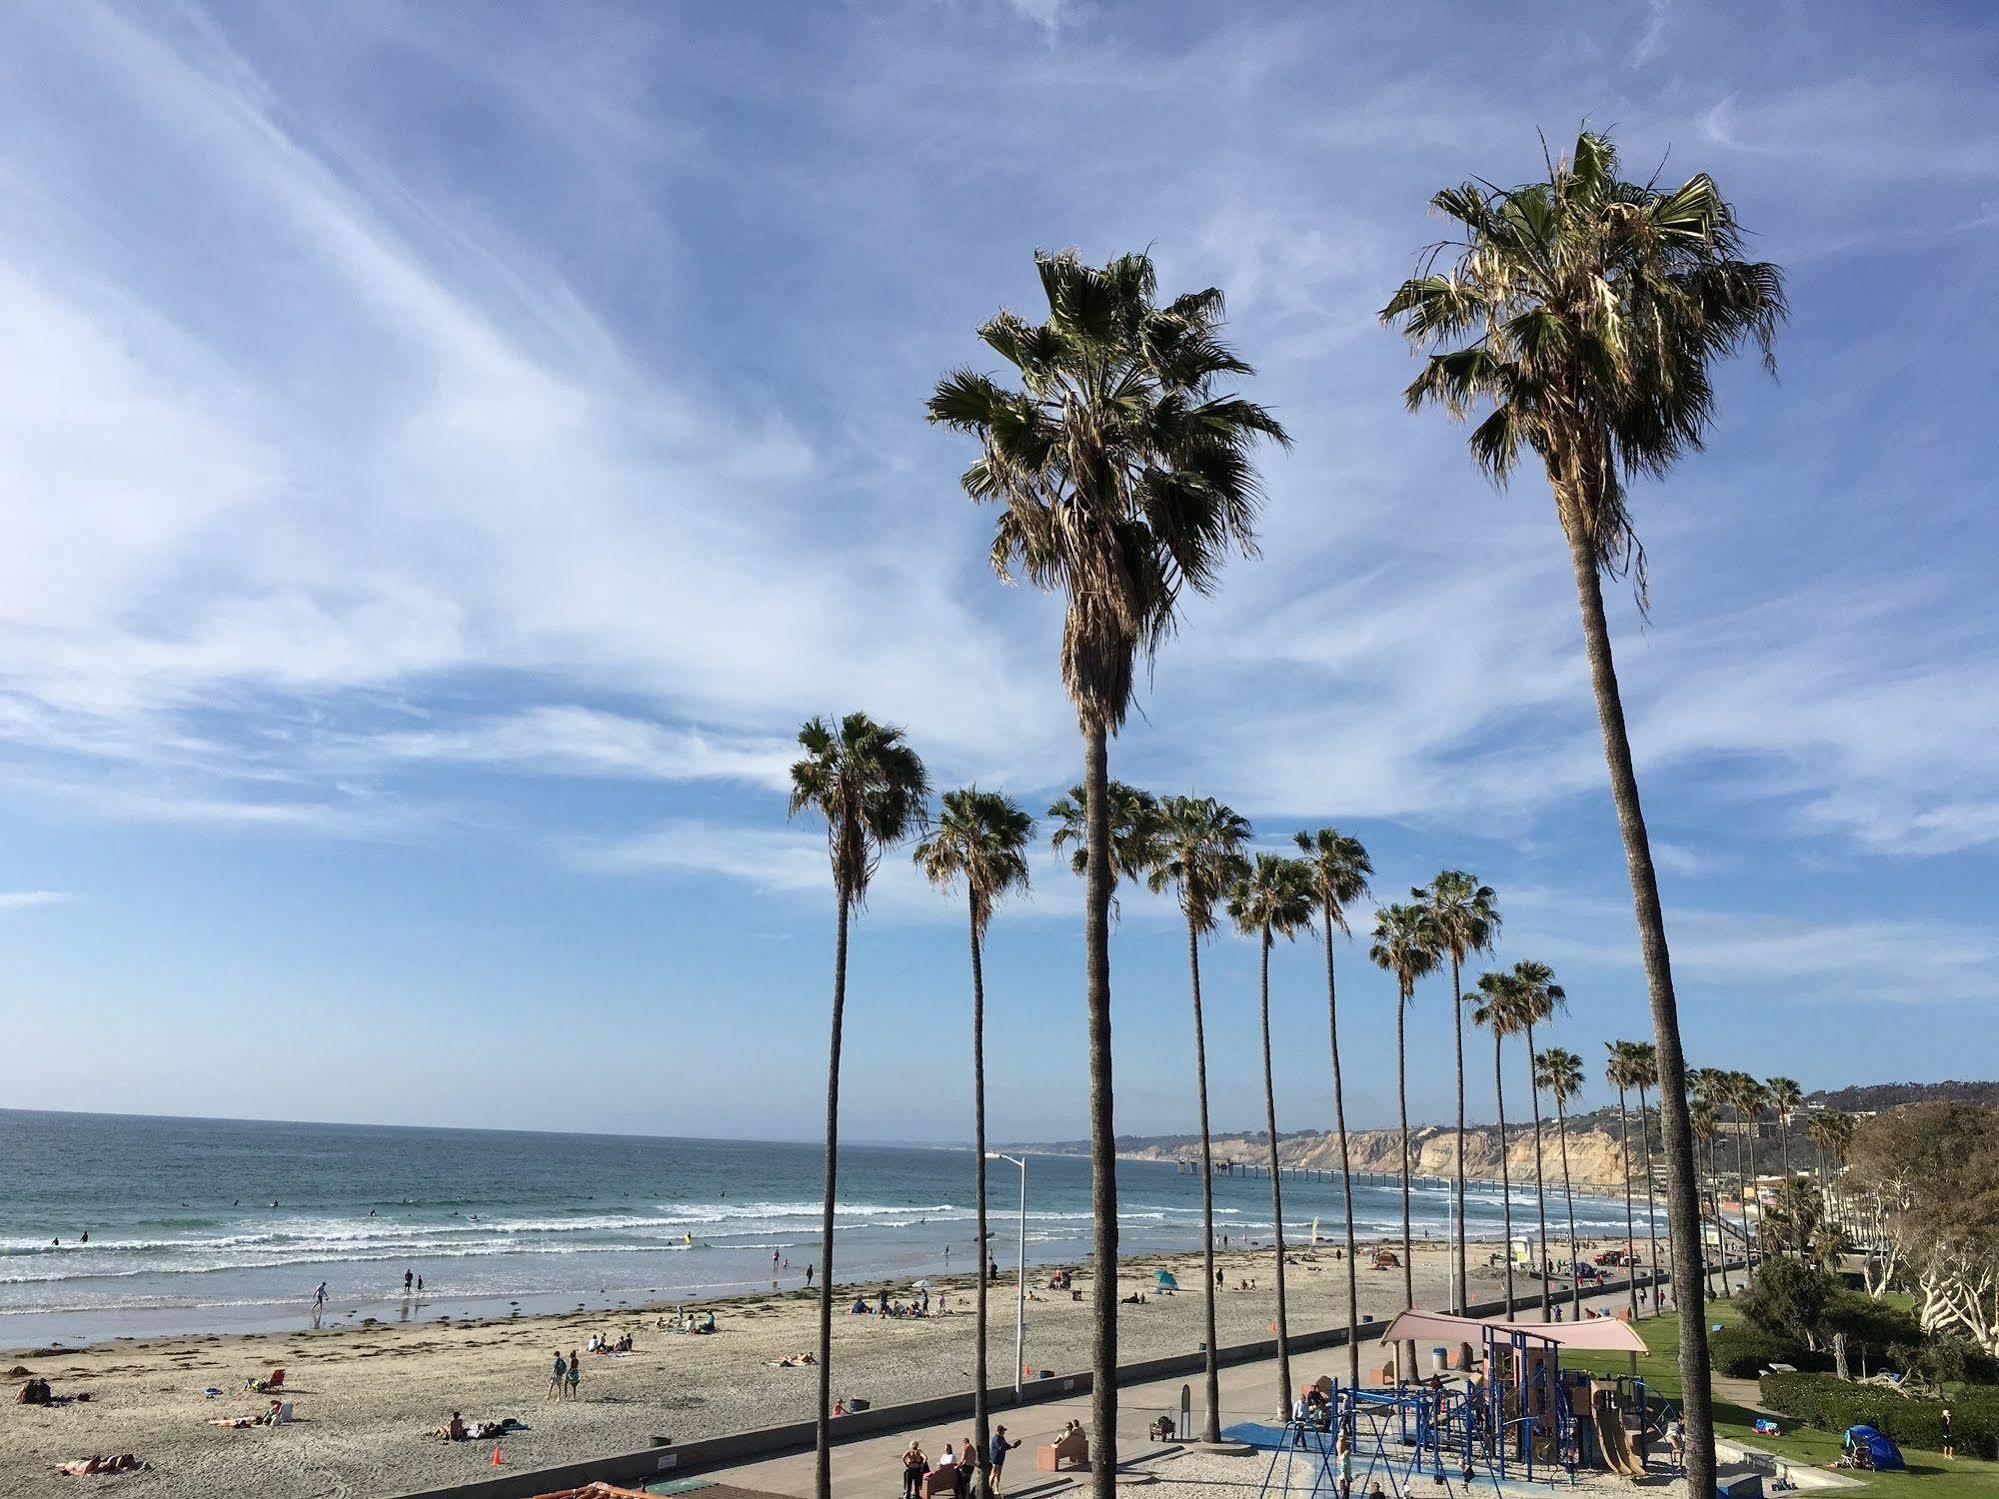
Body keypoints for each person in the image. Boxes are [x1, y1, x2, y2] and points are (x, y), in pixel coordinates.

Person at [989, 1426, 1020, 1495]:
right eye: (1003, 1431)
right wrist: (1009, 1447)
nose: (1004, 1432)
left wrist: (1011, 1446)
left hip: (1000, 1458)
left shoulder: (1001, 1437)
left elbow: (1005, 1445)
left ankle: (996, 1489)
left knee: (998, 1474)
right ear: (1000, 1431)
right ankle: (989, 1488)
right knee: (994, 1474)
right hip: (995, 1459)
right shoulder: (995, 1439)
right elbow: (1000, 1448)